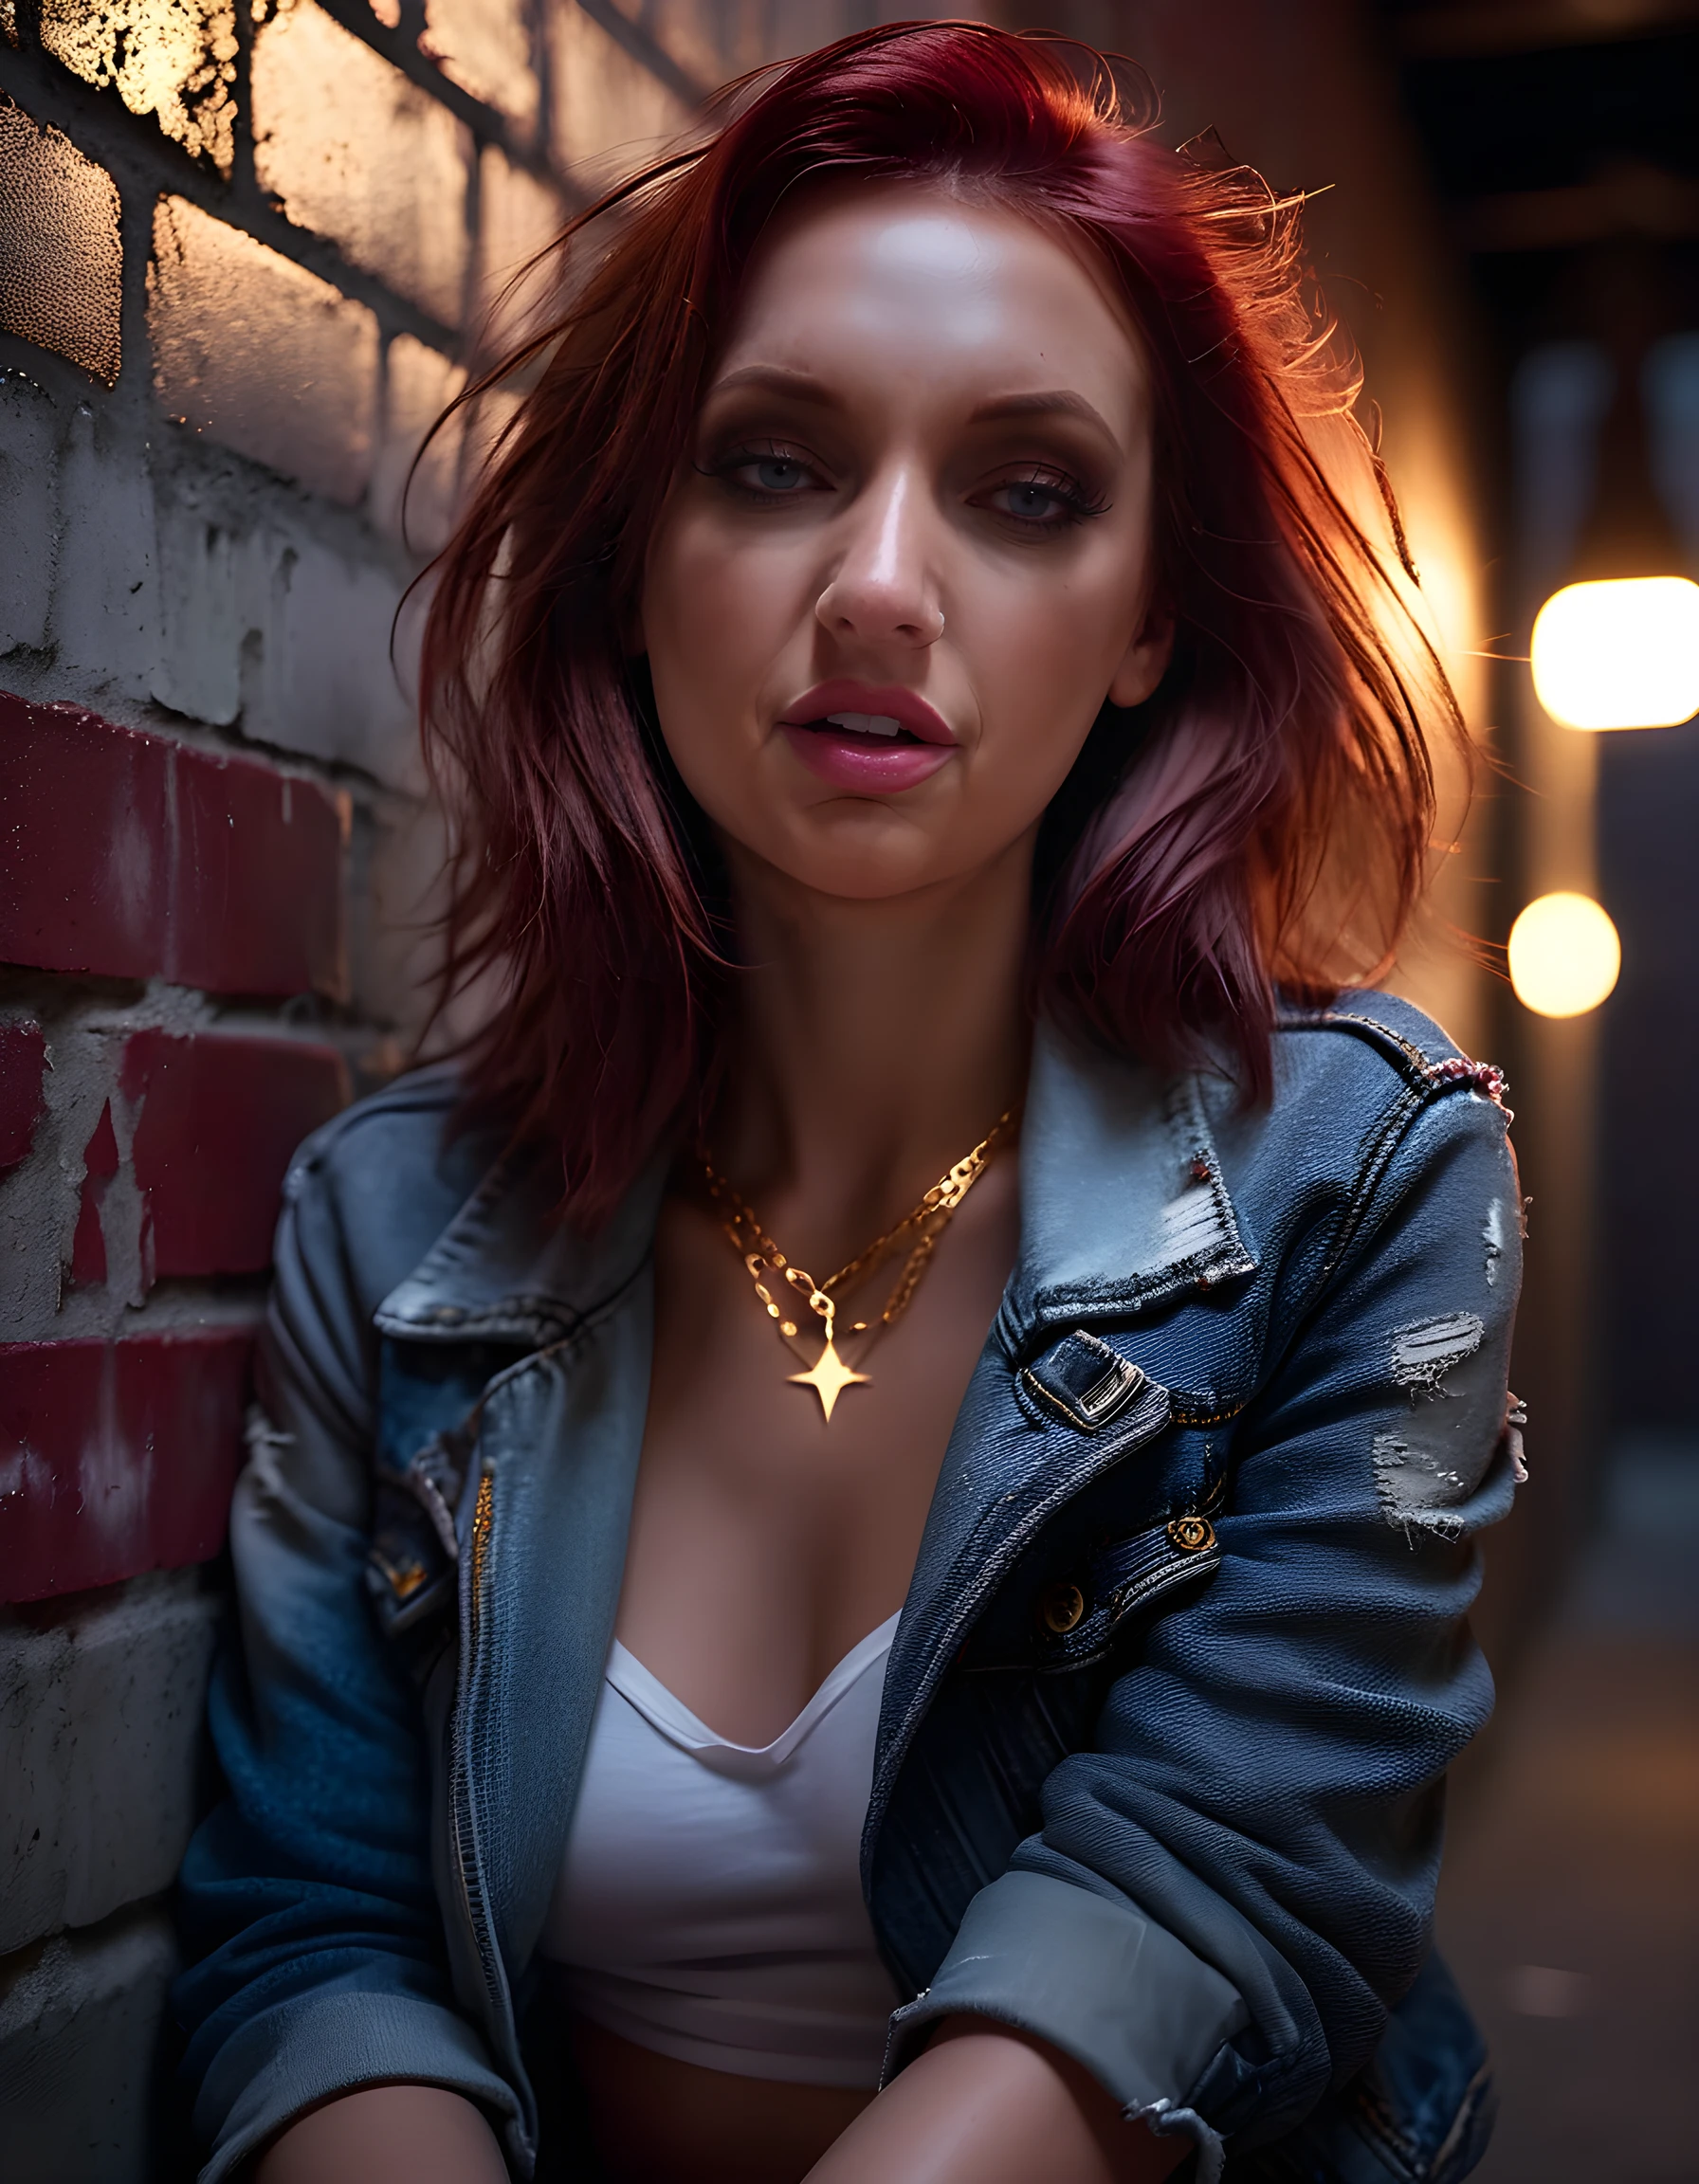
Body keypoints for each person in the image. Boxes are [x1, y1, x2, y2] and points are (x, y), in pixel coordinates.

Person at [172, 24, 1524, 2184]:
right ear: (637, 556)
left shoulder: (1354, 1179)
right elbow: (313, 1943)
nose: (879, 587)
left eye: (1023, 492)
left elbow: (1210, 1901)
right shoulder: (397, 1227)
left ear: (1146, 619)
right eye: (776, 463)